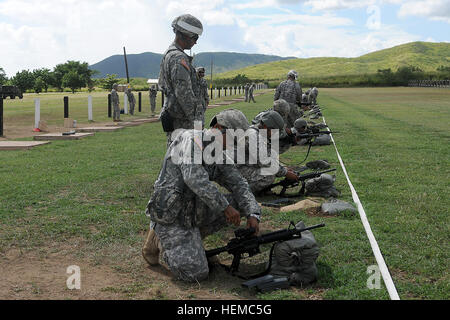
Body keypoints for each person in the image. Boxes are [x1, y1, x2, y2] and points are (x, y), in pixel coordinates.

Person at [142, 109, 261, 282]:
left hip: (194, 210)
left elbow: (239, 184)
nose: (233, 145)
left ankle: (192, 242)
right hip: (172, 214)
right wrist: (225, 207)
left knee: (240, 202)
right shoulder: (191, 139)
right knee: (195, 273)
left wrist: (253, 213)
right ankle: (159, 238)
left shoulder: (219, 152)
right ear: (219, 128)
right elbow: (194, 178)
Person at [158, 14, 204, 144]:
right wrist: (198, 124)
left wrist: (194, 75)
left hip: (178, 122)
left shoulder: (171, 55)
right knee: (186, 161)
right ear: (184, 35)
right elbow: (184, 95)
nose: (196, 42)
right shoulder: (178, 59)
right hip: (184, 125)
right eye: (194, 37)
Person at [236, 110, 298, 194]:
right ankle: (243, 192)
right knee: (269, 175)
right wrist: (285, 173)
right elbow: (265, 161)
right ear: (265, 126)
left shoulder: (259, 133)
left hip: (246, 166)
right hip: (237, 171)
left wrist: (284, 168)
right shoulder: (253, 136)